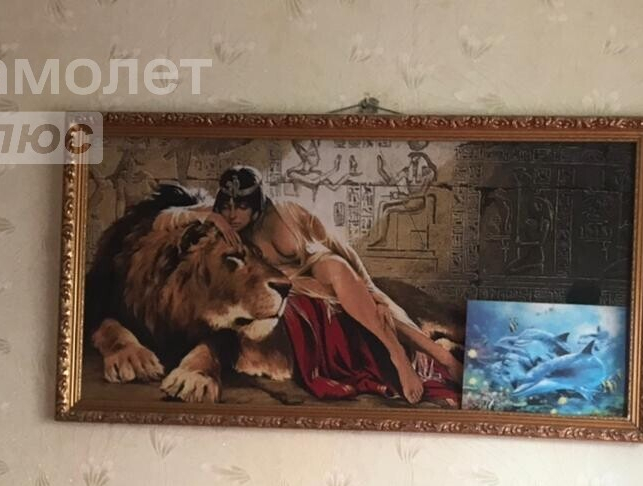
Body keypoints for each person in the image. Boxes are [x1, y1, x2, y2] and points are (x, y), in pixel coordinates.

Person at [195, 166, 460, 405]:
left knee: (344, 272)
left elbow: (338, 246)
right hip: (298, 282)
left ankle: (402, 355)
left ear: (256, 203)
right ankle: (437, 357)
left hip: (322, 264)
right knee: (360, 305)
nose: (232, 215)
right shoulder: (227, 231)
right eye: (226, 207)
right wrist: (214, 218)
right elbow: (177, 215)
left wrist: (370, 288)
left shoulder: (287, 212)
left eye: (241, 206)